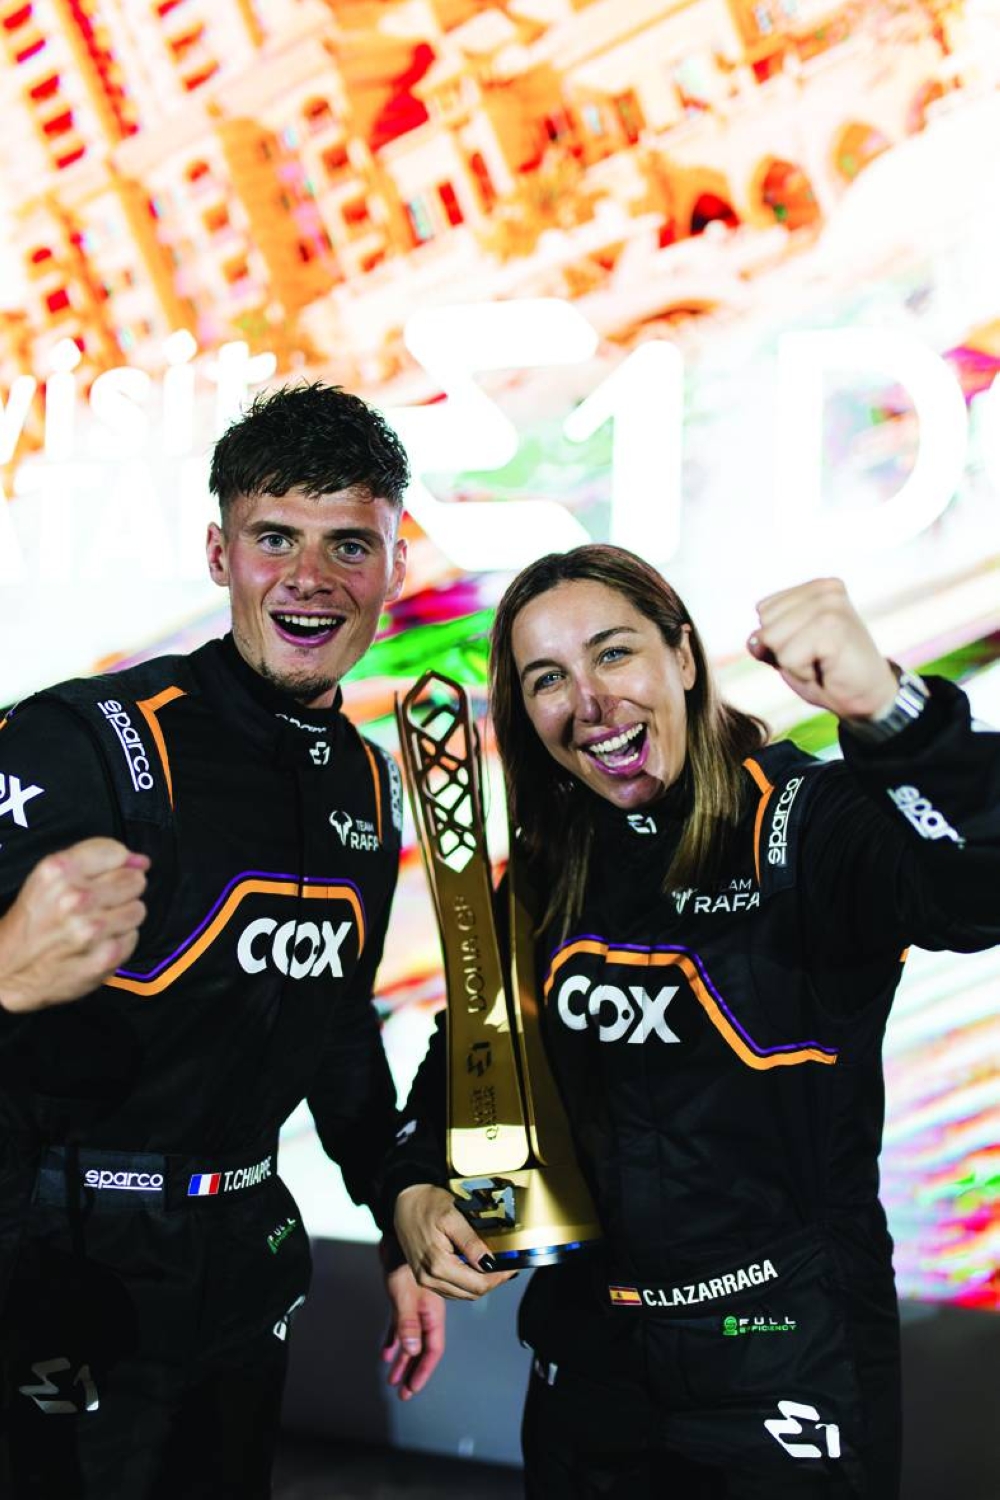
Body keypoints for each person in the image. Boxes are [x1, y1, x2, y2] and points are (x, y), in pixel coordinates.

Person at [384, 543, 1000, 1498]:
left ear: (682, 654)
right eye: (548, 677)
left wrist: (889, 712)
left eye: (614, 654)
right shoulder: (545, 869)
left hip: (782, 1358)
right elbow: (461, 1071)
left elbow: (978, 894)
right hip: (589, 1366)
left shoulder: (803, 822)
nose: (588, 701)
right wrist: (414, 1194)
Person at [0, 382, 443, 1498]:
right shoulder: (85, 739)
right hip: (57, 1275)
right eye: (274, 538)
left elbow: (335, 1028)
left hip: (244, 1264)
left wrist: (396, 1204)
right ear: (219, 553)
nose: (310, 577)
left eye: (351, 544)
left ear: (393, 567)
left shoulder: (365, 777)